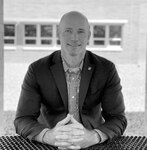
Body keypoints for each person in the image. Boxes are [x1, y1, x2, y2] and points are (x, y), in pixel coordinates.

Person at [14, 11, 127, 150]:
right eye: (68, 31)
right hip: (49, 145)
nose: (74, 38)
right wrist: (48, 136)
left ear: (89, 36)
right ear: (58, 33)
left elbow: (117, 118)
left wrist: (93, 136)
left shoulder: (106, 69)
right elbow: (22, 119)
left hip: (92, 144)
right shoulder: (37, 70)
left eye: (80, 31)